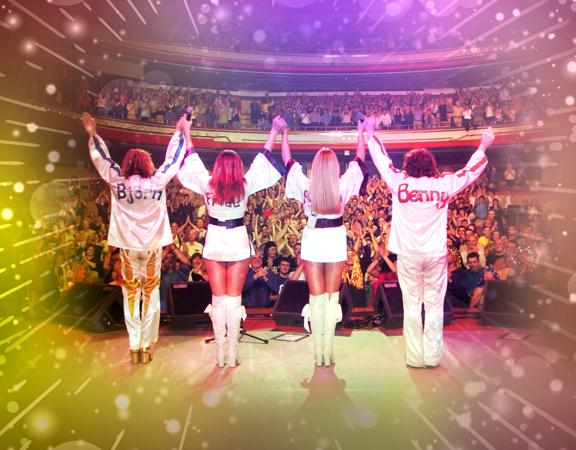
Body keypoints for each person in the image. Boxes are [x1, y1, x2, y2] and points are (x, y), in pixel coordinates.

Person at [364, 115, 495, 368]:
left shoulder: (399, 182)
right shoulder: (444, 184)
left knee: (411, 307)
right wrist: (482, 146)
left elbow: (382, 161)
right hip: (435, 255)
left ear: (409, 166)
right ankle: (433, 357)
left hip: (409, 255)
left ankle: (415, 358)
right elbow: (469, 173)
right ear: (431, 165)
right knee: (434, 308)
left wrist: (370, 133)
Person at [176, 116, 285, 368]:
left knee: (218, 298)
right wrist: (273, 131)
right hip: (237, 241)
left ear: (218, 166)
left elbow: (192, 159)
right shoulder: (244, 185)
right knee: (233, 299)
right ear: (236, 167)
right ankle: (232, 352)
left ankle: (221, 352)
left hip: (215, 241)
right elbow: (262, 159)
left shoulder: (207, 184)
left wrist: (186, 131)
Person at [81, 112, 188, 365]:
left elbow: (102, 160)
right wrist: (179, 132)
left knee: (132, 296)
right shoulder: (157, 182)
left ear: (127, 164)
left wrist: (92, 133)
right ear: (147, 164)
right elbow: (173, 160)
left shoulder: (118, 182)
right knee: (150, 297)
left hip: (128, 250)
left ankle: (134, 345)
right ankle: (148, 346)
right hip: (151, 250)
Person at [281, 119, 367, 366]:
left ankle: (318, 352)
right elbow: (359, 160)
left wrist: (285, 133)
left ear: (316, 167)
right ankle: (329, 350)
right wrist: (360, 133)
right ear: (334, 168)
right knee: (331, 298)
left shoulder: (306, 185)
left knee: (316, 298)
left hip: (313, 240)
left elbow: (288, 160)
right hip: (335, 238)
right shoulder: (343, 184)